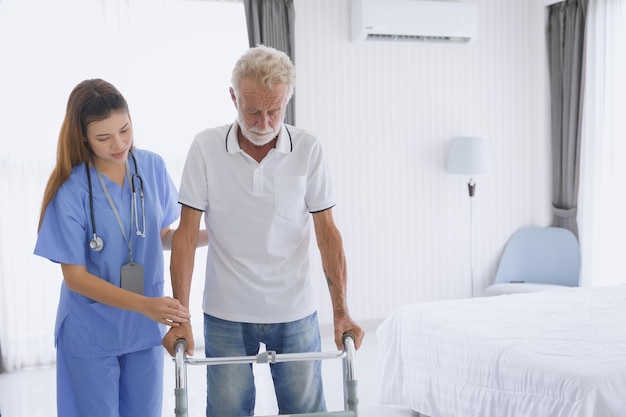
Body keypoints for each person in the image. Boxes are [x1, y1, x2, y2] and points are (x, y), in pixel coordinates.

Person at [162, 45, 365, 416]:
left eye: (274, 110)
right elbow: (187, 235)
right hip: (226, 309)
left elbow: (327, 235)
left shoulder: (308, 149)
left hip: (295, 309)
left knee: (305, 411)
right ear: (232, 97)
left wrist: (341, 312)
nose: (264, 123)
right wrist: (181, 319)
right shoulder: (205, 147)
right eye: (252, 111)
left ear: (287, 99)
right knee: (227, 411)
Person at [34, 79, 206, 417]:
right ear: (82, 136)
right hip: (91, 331)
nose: (119, 144)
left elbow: (162, 236)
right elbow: (76, 278)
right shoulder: (71, 190)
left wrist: (215, 234)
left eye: (124, 130)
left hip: (143, 332)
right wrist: (146, 305)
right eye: (104, 137)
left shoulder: (151, 166)